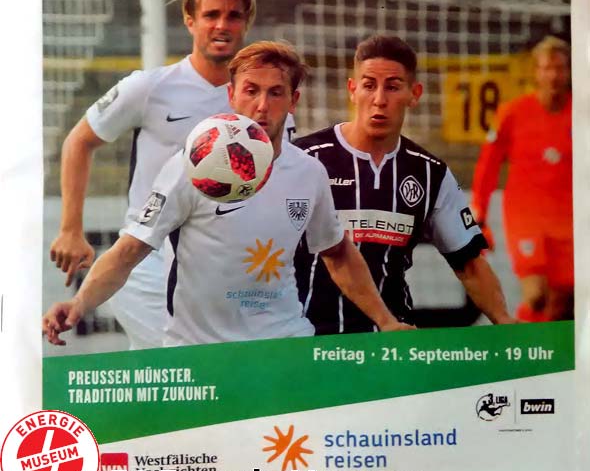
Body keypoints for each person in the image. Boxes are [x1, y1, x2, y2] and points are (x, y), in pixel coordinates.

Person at [43, 42, 409, 347]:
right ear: (231, 95)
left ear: (293, 100)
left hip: (283, 341)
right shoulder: (191, 166)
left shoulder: (309, 173)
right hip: (200, 351)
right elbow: (129, 250)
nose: (262, 105)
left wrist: (386, 322)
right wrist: (79, 303)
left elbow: (338, 252)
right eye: (251, 90)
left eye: (275, 92)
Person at [49, 0, 292, 350]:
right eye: (211, 15)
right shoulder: (148, 87)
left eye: (233, 15)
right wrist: (70, 229)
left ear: (247, 22)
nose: (222, 25)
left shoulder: (266, 105)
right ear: (189, 19)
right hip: (148, 264)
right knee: (192, 365)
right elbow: (78, 141)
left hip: (223, 274)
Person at [294, 35, 515, 334]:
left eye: (393, 87)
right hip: (307, 341)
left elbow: (469, 264)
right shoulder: (305, 158)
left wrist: (505, 322)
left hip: (392, 341)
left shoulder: (429, 173)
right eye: (369, 85)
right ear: (352, 90)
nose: (379, 99)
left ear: (414, 94)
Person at [471, 36, 573, 322]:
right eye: (547, 68)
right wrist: (479, 212)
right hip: (526, 218)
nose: (554, 75)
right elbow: (488, 165)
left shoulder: (580, 113)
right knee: (536, 295)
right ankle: (519, 341)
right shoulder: (513, 113)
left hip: (568, 220)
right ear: (536, 73)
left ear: (568, 72)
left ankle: (540, 346)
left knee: (560, 304)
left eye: (560, 68)